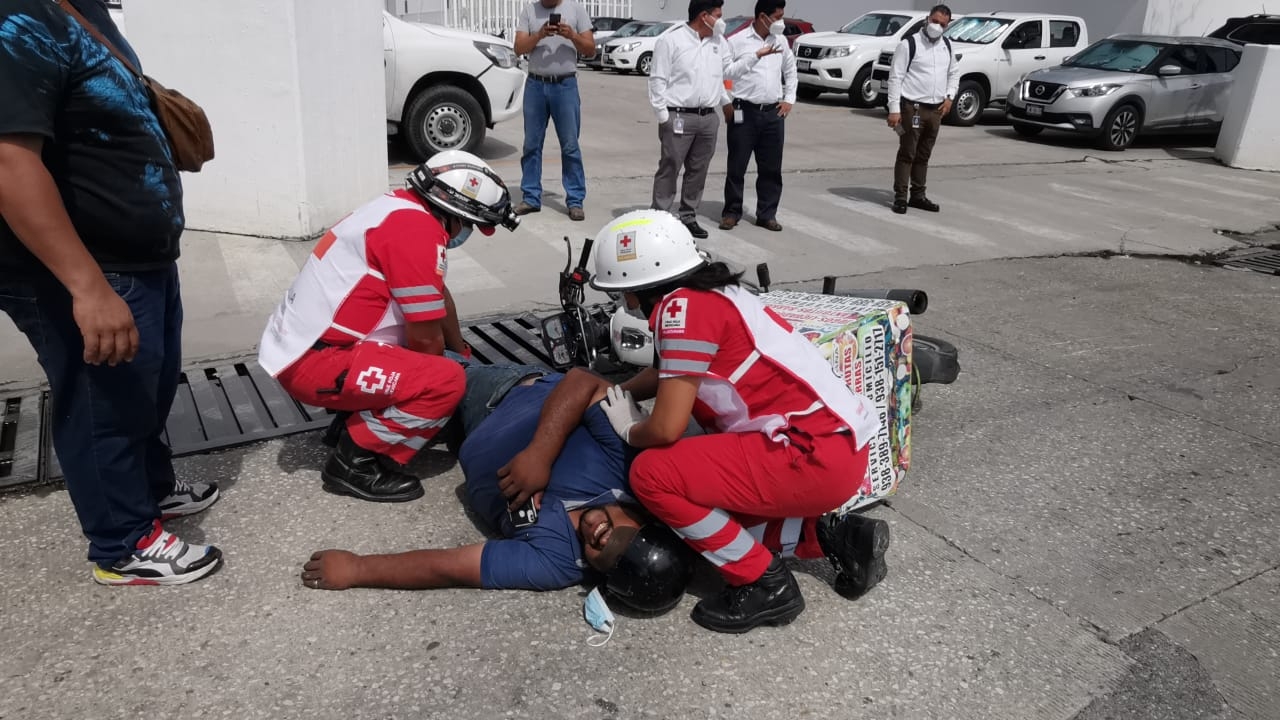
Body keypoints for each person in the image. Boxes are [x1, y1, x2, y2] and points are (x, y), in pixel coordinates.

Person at [0, 0, 223, 586]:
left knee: (145, 386)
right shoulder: (15, 17)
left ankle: (149, 493)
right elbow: (8, 162)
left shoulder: (81, 8)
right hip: (85, 266)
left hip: (137, 259)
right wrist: (86, 285)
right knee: (104, 403)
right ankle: (123, 543)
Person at [590, 209, 893, 634]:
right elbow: (672, 374)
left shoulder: (680, 309)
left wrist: (628, 427)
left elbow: (665, 429)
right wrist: (618, 391)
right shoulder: (713, 294)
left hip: (807, 454)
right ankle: (834, 538)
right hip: (833, 450)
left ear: (634, 292)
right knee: (707, 532)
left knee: (654, 475)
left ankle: (766, 586)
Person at [300, 364, 694, 614]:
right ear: (642, 522)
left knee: (392, 404)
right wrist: (539, 454)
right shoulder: (627, 470)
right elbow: (583, 381)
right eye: (611, 534)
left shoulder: (556, 563)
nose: (594, 534)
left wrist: (357, 568)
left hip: (467, 438)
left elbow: (450, 567)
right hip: (501, 394)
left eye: (598, 554)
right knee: (418, 367)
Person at [257, 150, 519, 504]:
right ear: (457, 213)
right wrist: (450, 380)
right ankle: (353, 462)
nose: (468, 233)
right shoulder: (418, 232)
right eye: (471, 224)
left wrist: (461, 350)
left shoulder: (397, 208)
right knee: (445, 380)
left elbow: (438, 296)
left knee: (431, 362)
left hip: (305, 348)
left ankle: (354, 422)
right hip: (318, 363)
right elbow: (426, 340)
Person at [647, 0, 778, 240]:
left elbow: (728, 72)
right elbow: (657, 80)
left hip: (708, 118)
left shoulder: (719, 43)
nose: (722, 19)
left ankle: (688, 216)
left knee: (698, 170)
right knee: (670, 166)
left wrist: (755, 57)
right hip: (678, 115)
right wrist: (663, 115)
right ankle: (660, 217)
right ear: (704, 16)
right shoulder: (671, 40)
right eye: (718, 14)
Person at [513, 0, 594, 222]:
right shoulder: (529, 10)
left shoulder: (577, 10)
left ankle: (575, 200)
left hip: (565, 85)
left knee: (570, 146)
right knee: (531, 144)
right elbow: (519, 48)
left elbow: (590, 49)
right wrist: (538, 35)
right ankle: (531, 197)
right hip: (536, 85)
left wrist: (572, 36)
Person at [720, 0, 797, 233]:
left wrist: (789, 99)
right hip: (744, 111)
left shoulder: (780, 41)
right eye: (778, 16)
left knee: (771, 168)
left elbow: (790, 71)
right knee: (737, 166)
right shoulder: (737, 41)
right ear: (763, 16)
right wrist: (726, 102)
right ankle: (732, 212)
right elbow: (724, 74)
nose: (781, 22)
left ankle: (767, 214)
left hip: (773, 113)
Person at [885, 4, 958, 215]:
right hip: (912, 108)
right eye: (934, 21)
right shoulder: (909, 45)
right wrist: (894, 109)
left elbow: (954, 73)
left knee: (924, 155)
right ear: (927, 19)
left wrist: (950, 97)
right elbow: (895, 77)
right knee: (908, 152)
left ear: (948, 25)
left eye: (942, 24)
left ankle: (918, 195)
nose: (937, 26)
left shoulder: (948, 46)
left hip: (936, 110)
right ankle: (900, 197)